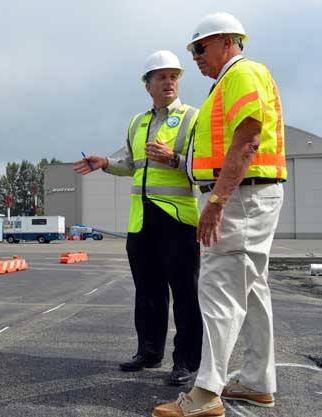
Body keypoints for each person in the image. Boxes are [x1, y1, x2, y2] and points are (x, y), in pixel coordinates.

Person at [153, 12, 286, 417]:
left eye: (200, 47)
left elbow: (248, 140)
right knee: (252, 292)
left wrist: (216, 202)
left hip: (240, 198)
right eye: (192, 49)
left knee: (220, 292)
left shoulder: (241, 74)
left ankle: (206, 392)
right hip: (248, 197)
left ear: (228, 40)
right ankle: (257, 382)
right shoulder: (227, 83)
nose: (194, 56)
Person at [74, 50, 202, 386]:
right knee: (147, 291)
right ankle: (149, 351)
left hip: (177, 219)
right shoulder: (137, 122)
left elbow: (203, 170)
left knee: (185, 293)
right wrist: (106, 163)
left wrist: (173, 158)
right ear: (147, 85)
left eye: (174, 76)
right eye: (161, 77)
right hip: (142, 222)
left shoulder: (193, 118)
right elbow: (131, 164)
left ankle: (186, 361)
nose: (169, 82)